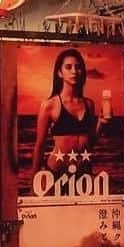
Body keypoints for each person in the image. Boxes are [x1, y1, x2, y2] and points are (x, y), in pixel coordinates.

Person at [29, 48, 102, 178]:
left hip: (83, 174)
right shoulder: (50, 105)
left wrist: (101, 124)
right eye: (68, 67)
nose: (74, 71)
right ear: (60, 73)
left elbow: (90, 143)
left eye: (78, 67)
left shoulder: (89, 104)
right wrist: (34, 180)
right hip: (56, 173)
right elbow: (40, 146)